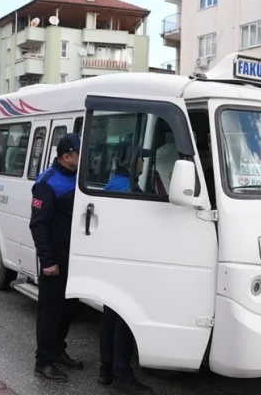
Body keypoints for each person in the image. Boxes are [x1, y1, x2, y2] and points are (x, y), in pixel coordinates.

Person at [99, 141, 154, 395]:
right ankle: (122, 377)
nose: (143, 162)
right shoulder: (126, 187)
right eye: (140, 158)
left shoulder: (114, 182)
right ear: (130, 161)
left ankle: (107, 370)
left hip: (112, 259)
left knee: (110, 318)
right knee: (124, 319)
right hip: (124, 260)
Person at [29, 133, 84, 382]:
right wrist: (48, 260)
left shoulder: (79, 178)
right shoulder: (47, 182)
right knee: (50, 310)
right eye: (79, 153)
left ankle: (58, 350)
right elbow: (38, 225)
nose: (83, 157)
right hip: (55, 259)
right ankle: (44, 361)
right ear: (66, 156)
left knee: (69, 308)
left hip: (74, 256)